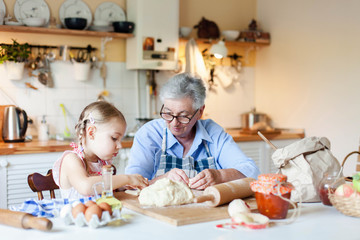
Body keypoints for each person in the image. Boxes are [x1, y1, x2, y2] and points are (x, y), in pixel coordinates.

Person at [125, 73, 260, 190]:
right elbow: (131, 185)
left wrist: (219, 176)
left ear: (200, 112)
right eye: (167, 113)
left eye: (183, 116)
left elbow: (251, 171)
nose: (174, 123)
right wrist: (163, 179)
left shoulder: (213, 132)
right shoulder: (150, 134)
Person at [53, 101, 148, 199]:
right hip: (74, 213)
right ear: (91, 133)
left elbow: (103, 189)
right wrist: (127, 178)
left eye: (120, 140)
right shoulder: (71, 160)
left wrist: (121, 186)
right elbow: (85, 187)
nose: (119, 146)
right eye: (114, 138)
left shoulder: (102, 162)